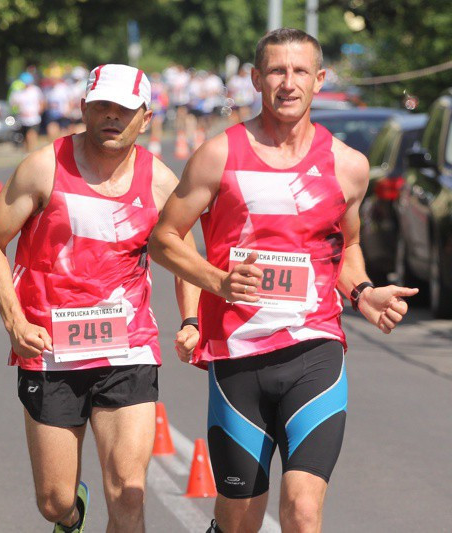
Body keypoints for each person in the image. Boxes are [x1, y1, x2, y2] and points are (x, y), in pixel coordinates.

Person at [148, 28, 418, 533]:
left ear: (319, 80)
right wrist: (217, 281)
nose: (287, 83)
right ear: (255, 79)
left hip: (314, 350)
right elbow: (163, 238)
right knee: (240, 522)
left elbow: (348, 247)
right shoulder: (218, 155)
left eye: (299, 72)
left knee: (303, 510)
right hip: (238, 357)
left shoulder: (347, 166)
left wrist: (363, 292)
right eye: (276, 71)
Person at [0, 64, 199, 533]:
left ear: (146, 116)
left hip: (128, 345)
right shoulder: (43, 167)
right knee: (53, 501)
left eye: (124, 109)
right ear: (83, 108)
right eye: (102, 106)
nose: (112, 117)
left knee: (127, 490)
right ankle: (71, 515)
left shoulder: (161, 183)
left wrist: (191, 319)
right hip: (50, 348)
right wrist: (15, 323)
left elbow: (185, 257)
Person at [10, 72, 45, 152]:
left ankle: (32, 151)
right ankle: (27, 151)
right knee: (25, 136)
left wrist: (39, 111)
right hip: (22, 119)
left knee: (31, 134)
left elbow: (41, 102)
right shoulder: (17, 92)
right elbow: (13, 104)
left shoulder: (36, 90)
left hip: (34, 118)